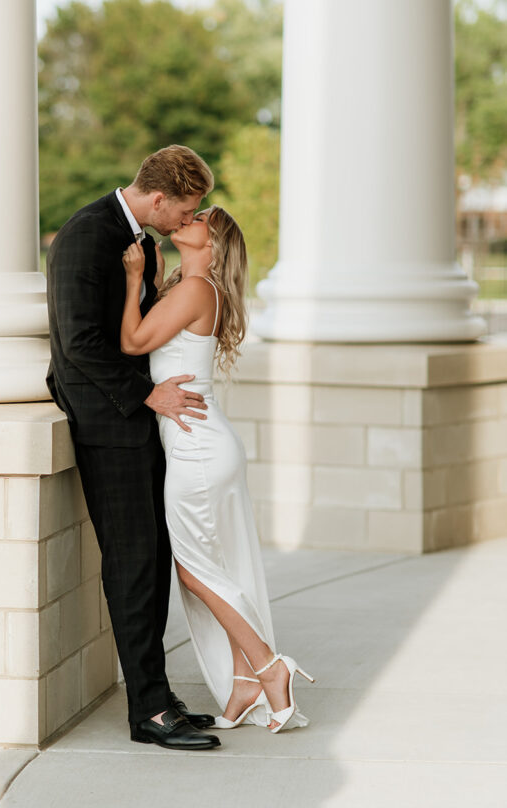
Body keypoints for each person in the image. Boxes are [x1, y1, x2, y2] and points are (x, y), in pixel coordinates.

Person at [45, 145, 221, 751]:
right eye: (186, 210)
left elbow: (133, 331)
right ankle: (149, 711)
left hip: (137, 422)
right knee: (133, 563)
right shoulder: (86, 235)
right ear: (160, 198)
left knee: (152, 558)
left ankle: (157, 695)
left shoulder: (137, 239)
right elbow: (78, 343)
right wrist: (148, 395)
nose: (188, 220)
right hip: (107, 424)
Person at [121, 205, 316, 732]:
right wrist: (152, 283)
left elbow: (132, 342)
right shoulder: (192, 288)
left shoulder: (195, 288)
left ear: (213, 243)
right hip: (203, 443)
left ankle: (270, 666)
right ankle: (245, 681)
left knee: (194, 569)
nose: (188, 217)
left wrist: (135, 278)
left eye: (200, 217)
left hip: (198, 450)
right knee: (214, 568)